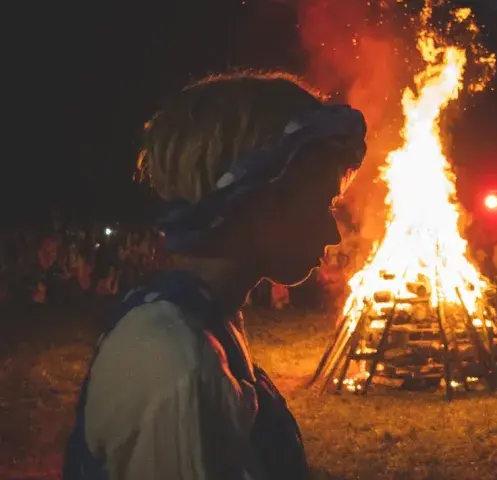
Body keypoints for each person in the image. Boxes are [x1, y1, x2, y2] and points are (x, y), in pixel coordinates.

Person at [63, 72, 367, 480]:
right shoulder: (178, 362)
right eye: (322, 203)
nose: (332, 233)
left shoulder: (207, 321)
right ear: (256, 199)